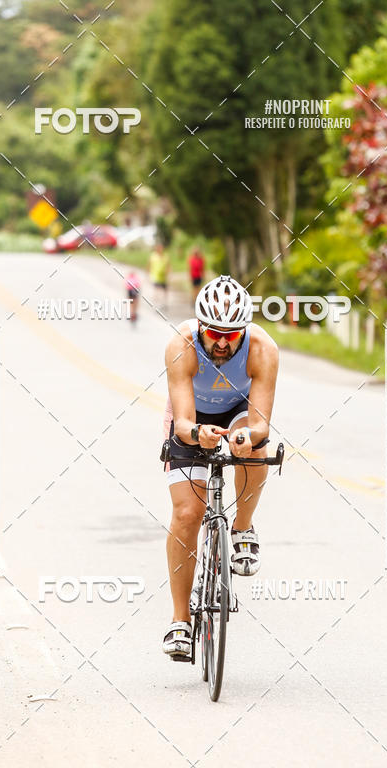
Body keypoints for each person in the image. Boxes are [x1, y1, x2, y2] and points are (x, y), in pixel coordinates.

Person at [161, 275, 279, 660]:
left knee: (253, 446)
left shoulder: (263, 348)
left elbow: (260, 421)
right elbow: (181, 424)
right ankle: (180, 622)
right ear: (199, 327)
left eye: (233, 334)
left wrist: (247, 437)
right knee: (187, 513)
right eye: (214, 333)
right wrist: (197, 433)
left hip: (239, 411)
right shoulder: (182, 345)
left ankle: (243, 527)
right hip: (191, 415)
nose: (223, 342)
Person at [148, 243, 170, 311]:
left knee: (164, 291)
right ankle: (156, 304)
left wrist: (168, 273)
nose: (160, 249)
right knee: (157, 291)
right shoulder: (153, 256)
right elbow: (149, 265)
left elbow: (168, 265)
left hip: (164, 277)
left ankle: (164, 303)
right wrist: (149, 274)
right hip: (156, 276)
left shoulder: (166, 256)